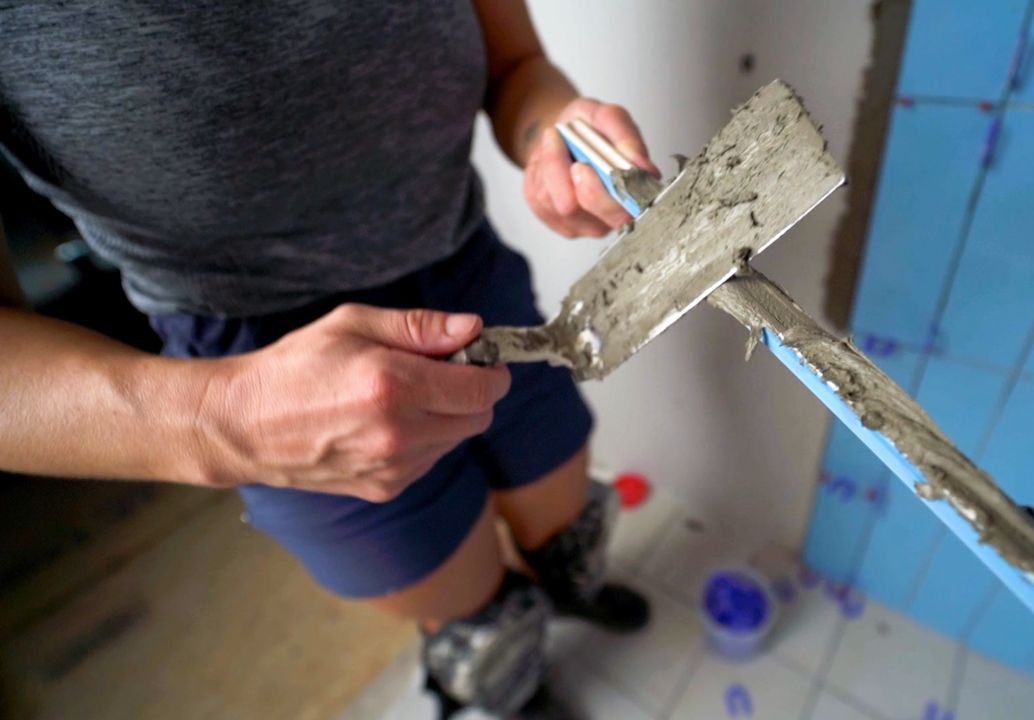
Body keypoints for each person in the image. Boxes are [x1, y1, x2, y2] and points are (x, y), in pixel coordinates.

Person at [0, 2, 661, 717]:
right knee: (465, 598)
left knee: (562, 501)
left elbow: (516, 67)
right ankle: (511, 680)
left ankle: (570, 584)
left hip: (467, 273)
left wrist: (557, 132)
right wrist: (217, 419)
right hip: (253, 360)